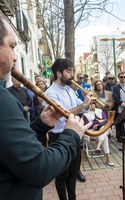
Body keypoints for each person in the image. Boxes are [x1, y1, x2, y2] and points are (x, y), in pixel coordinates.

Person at [0, 17, 91, 200]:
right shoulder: (3, 99)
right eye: (11, 46)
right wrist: (72, 135)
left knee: (72, 173)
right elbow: (39, 169)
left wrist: (41, 124)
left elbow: (11, 146)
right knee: (63, 175)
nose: (15, 56)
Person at [45, 58, 95, 200]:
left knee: (73, 172)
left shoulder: (69, 89)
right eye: (68, 71)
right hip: (59, 136)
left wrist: (88, 103)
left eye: (72, 70)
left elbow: (80, 106)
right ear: (59, 73)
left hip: (74, 135)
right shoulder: (51, 93)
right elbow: (63, 115)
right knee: (62, 175)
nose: (72, 74)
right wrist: (82, 106)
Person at [82, 102, 114, 166]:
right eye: (90, 103)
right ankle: (108, 157)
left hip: (102, 129)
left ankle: (98, 146)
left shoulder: (99, 110)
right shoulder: (85, 114)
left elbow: (106, 120)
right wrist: (96, 123)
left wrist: (99, 122)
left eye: (93, 103)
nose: (92, 105)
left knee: (103, 128)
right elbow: (86, 126)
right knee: (105, 137)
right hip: (93, 131)